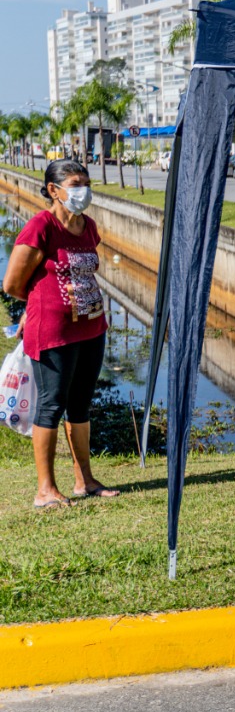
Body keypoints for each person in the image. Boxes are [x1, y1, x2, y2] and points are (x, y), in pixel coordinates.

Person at [3, 159, 117, 508]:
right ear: (54, 189)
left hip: (92, 327)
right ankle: (45, 489)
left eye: (86, 182)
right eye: (75, 183)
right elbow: (11, 284)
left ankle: (85, 479)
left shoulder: (89, 226)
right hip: (53, 331)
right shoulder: (41, 227)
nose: (83, 190)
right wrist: (41, 304)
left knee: (81, 404)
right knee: (52, 406)